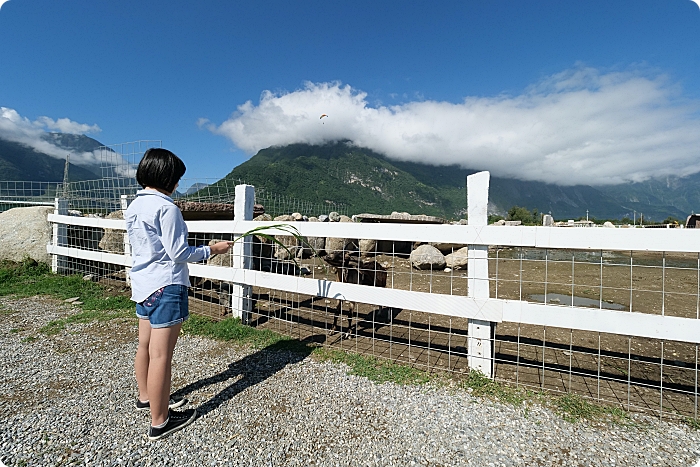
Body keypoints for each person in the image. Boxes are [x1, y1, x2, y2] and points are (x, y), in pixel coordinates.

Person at [125, 148, 232, 440]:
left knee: (145, 347)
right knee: (162, 356)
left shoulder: (135, 206)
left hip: (144, 285)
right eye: (177, 178)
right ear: (168, 177)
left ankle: (146, 398)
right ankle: (160, 421)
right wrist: (213, 249)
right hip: (167, 286)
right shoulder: (167, 208)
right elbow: (179, 253)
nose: (178, 184)